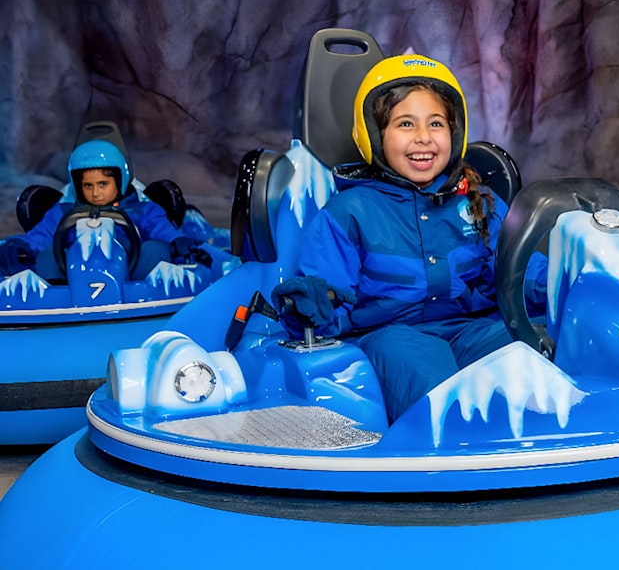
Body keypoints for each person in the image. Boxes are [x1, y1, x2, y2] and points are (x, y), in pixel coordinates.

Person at [271, 54, 545, 424]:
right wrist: (312, 305)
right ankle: (449, 458)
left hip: (469, 328)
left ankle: (538, 447)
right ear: (374, 135)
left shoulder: (476, 202)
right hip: (388, 335)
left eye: (436, 123)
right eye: (405, 124)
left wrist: (567, 276)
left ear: (455, 132)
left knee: (522, 348)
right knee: (420, 368)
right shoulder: (351, 211)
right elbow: (327, 292)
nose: (423, 138)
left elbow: (515, 271)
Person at [0, 139, 207, 281]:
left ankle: (152, 292)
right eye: (88, 186)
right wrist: (18, 245)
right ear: (77, 185)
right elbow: (41, 236)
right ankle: (54, 297)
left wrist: (177, 242)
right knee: (46, 256)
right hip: (71, 278)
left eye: (102, 184)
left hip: (131, 277)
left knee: (155, 249)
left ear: (120, 180)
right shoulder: (62, 212)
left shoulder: (141, 210)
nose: (96, 193)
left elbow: (162, 229)